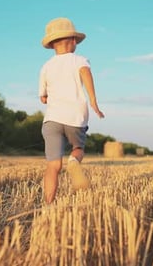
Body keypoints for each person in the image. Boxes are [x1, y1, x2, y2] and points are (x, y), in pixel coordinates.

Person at [38, 17, 105, 204]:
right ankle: (74, 162)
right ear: (74, 41)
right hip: (75, 117)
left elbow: (43, 97)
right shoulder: (79, 60)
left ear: (52, 45)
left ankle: (48, 204)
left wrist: (47, 96)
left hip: (52, 120)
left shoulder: (46, 66)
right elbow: (86, 73)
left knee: (53, 166)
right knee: (78, 148)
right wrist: (93, 100)